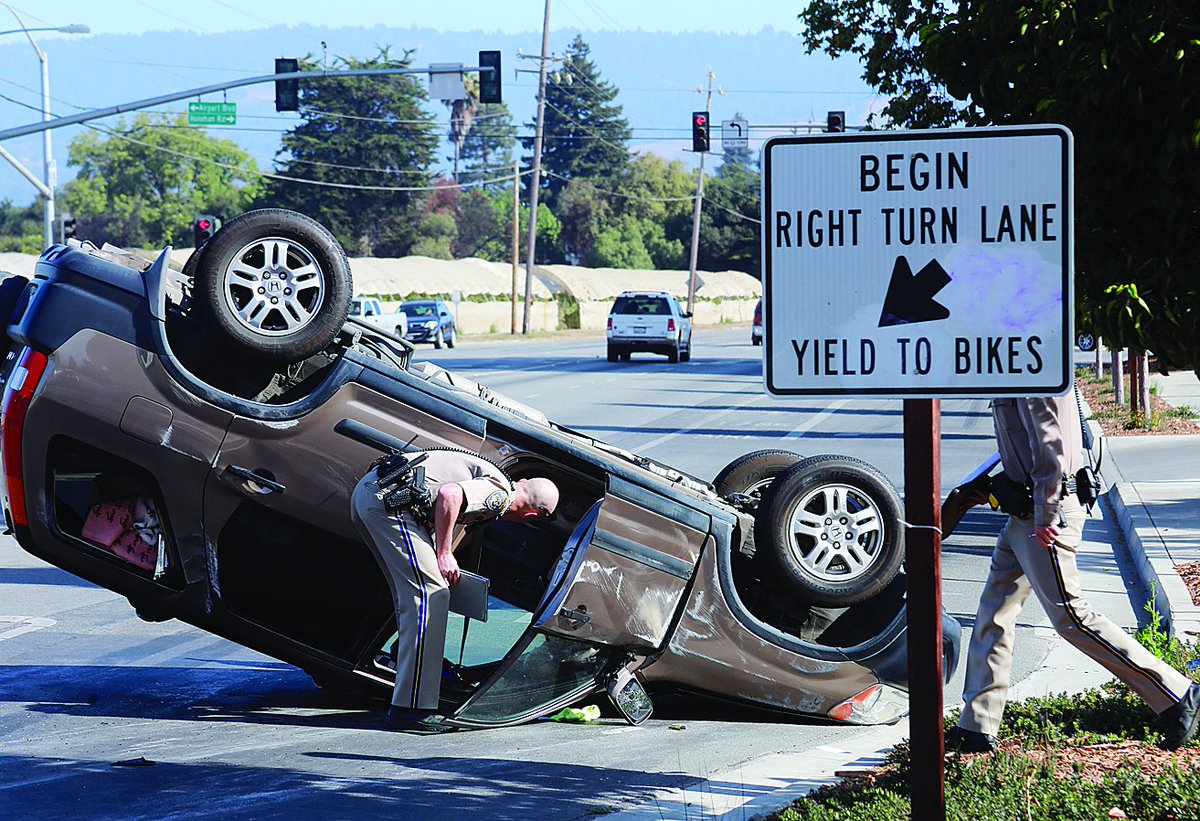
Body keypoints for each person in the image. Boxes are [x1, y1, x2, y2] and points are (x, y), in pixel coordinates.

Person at [948, 388, 1200, 753]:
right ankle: (977, 726)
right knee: (994, 610)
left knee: (1072, 617)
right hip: (1023, 510)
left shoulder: (1036, 369)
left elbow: (1052, 440)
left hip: (1046, 511)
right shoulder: (1016, 361)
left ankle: (1177, 694)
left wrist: (1047, 511)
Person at [350, 448, 559, 732]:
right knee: (432, 594)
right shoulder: (500, 494)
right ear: (532, 514)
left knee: (413, 597)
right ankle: (411, 709)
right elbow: (450, 494)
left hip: (373, 498)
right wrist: (444, 552)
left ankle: (409, 674)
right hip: (388, 506)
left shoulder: (497, 476)